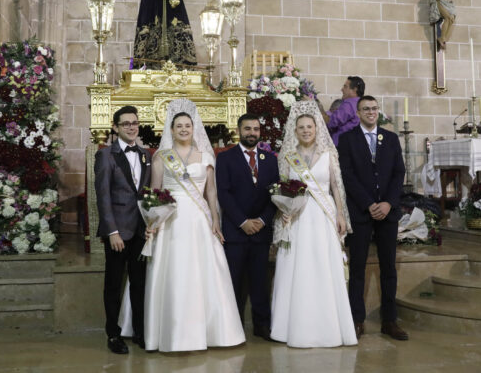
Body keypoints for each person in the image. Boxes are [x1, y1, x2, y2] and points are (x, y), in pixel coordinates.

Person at [141, 98, 244, 351]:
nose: (184, 129)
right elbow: (154, 193)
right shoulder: (161, 158)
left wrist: (216, 219)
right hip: (171, 222)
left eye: (188, 125)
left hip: (200, 220)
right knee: (175, 271)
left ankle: (213, 332)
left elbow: (212, 193)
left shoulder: (206, 156)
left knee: (204, 272)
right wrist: (152, 221)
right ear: (172, 129)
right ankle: (172, 333)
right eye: (179, 126)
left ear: (194, 127)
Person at [269, 100, 356, 348]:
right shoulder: (288, 156)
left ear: (317, 129)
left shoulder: (329, 154)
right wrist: (285, 210)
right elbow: (283, 187)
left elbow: (336, 187)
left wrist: (340, 214)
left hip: (322, 216)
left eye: (310, 127)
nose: (306, 131)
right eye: (301, 128)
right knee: (296, 266)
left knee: (323, 265)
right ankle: (292, 326)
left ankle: (328, 326)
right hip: (297, 218)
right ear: (294, 131)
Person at [337, 95, 408, 341]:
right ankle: (356, 320)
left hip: (387, 213)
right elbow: (346, 175)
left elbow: (399, 173)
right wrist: (369, 204)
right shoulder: (347, 139)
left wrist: (388, 202)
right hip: (361, 213)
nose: (370, 112)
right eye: (366, 109)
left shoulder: (390, 138)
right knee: (357, 268)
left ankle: (390, 321)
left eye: (374, 108)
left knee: (389, 268)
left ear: (379, 111)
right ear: (358, 113)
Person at [216, 113, 279, 341]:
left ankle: (262, 326)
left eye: (255, 129)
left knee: (260, 281)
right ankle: (234, 326)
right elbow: (224, 193)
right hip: (236, 231)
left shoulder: (270, 159)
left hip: (261, 231)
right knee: (235, 282)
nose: (252, 133)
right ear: (239, 130)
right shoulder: (225, 158)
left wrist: (262, 220)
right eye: (247, 129)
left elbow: (275, 194)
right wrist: (243, 222)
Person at [94, 105, 151, 354]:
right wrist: (112, 232)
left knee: (140, 283)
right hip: (118, 231)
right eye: (126, 123)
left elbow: (147, 194)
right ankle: (113, 334)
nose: (131, 127)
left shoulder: (146, 154)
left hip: (140, 231)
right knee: (114, 284)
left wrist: (151, 223)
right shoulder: (106, 155)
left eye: (135, 123)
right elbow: (103, 196)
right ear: (115, 127)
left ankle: (139, 331)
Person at [317, 75, 365, 147]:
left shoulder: (349, 104)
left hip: (343, 146)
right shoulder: (362, 102)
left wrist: (318, 107)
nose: (342, 89)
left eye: (345, 87)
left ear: (354, 90)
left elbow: (331, 122)